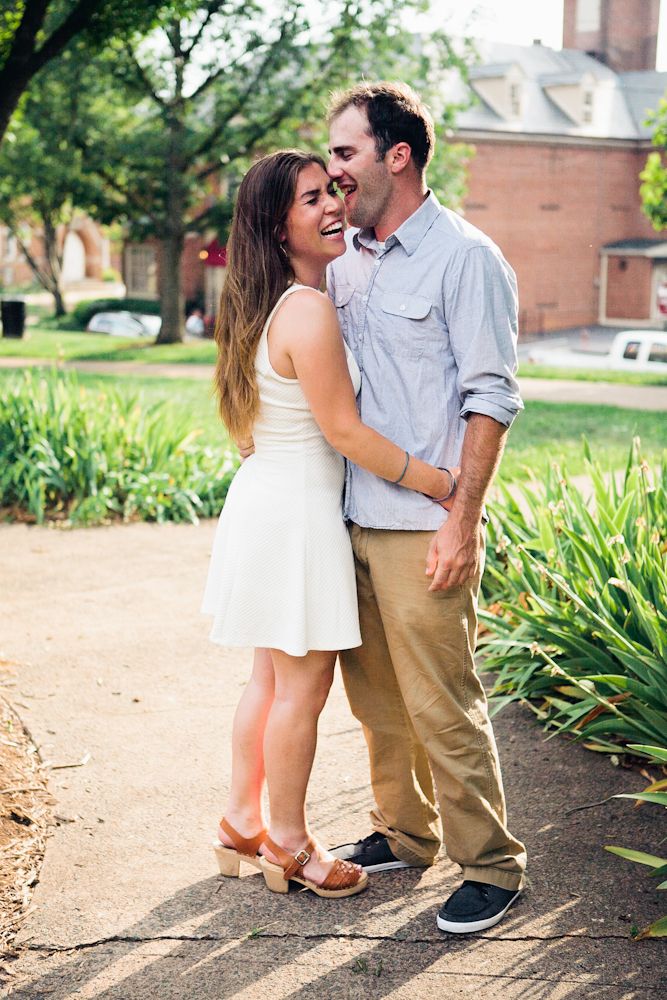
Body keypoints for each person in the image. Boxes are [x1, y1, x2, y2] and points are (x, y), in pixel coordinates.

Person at [202, 148, 460, 899]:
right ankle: (287, 842)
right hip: (295, 517)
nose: (332, 207)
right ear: (277, 227)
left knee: (267, 678)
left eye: (331, 191)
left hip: (267, 502)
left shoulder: (258, 299)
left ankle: (239, 820)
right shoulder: (307, 309)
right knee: (301, 689)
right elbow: (345, 432)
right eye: (310, 200)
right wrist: (436, 480)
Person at [325, 81, 527, 933]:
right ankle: (406, 833)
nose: (333, 170)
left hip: (422, 527)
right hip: (347, 517)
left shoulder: (466, 257)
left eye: (344, 153)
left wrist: (462, 519)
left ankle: (493, 866)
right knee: (374, 702)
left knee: (442, 701)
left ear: (395, 156)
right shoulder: (344, 259)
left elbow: (491, 396)